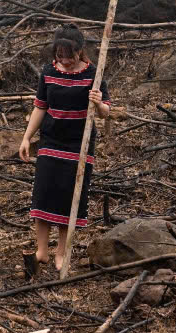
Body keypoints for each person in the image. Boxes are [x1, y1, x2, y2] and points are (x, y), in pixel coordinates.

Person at [18, 25, 110, 272]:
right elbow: (40, 106)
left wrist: (99, 103)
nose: (65, 61)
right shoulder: (49, 71)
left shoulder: (94, 74)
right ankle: (41, 251)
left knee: (69, 196)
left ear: (80, 51)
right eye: (60, 55)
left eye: (69, 56)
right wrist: (27, 137)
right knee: (44, 192)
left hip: (78, 143)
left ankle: (61, 252)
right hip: (51, 140)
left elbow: (106, 112)